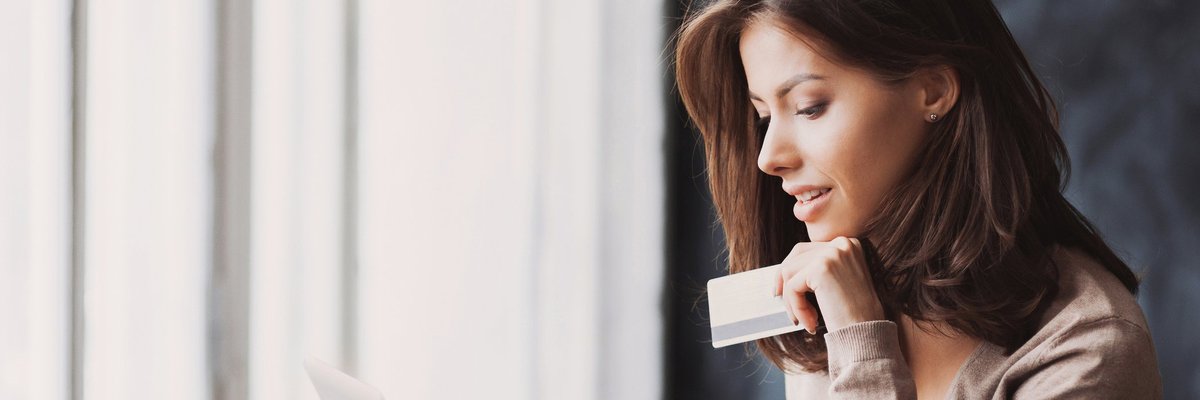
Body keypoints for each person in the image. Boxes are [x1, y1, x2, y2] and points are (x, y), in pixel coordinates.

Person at [672, 0, 1163, 398]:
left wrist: (862, 352)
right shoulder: (826, 297)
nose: (768, 157)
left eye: (809, 107)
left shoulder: (1085, 349)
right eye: (763, 118)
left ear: (932, 90)